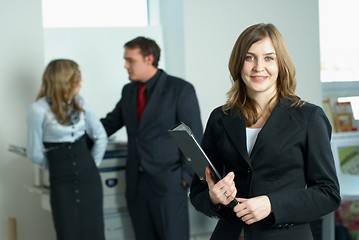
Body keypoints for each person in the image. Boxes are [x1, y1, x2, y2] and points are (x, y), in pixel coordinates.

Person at [189, 23, 341, 240]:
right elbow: (198, 191)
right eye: (249, 57)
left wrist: (272, 204)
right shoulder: (220, 117)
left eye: (269, 58)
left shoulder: (309, 117)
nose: (258, 67)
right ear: (238, 63)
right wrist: (213, 198)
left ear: (281, 64)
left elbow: (328, 193)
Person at [101, 36, 203, 240]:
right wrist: (74, 135)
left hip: (169, 184)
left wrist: (185, 178)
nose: (125, 65)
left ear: (149, 59)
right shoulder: (129, 91)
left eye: (130, 60)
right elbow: (110, 123)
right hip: (136, 185)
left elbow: (193, 139)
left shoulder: (180, 90)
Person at [26, 59, 108, 240]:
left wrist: (91, 165)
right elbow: (33, 152)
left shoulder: (81, 103)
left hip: (89, 178)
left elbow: (101, 136)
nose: (81, 81)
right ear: (65, 80)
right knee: (68, 232)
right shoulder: (38, 110)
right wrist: (58, 167)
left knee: (94, 233)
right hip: (61, 182)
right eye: (77, 77)